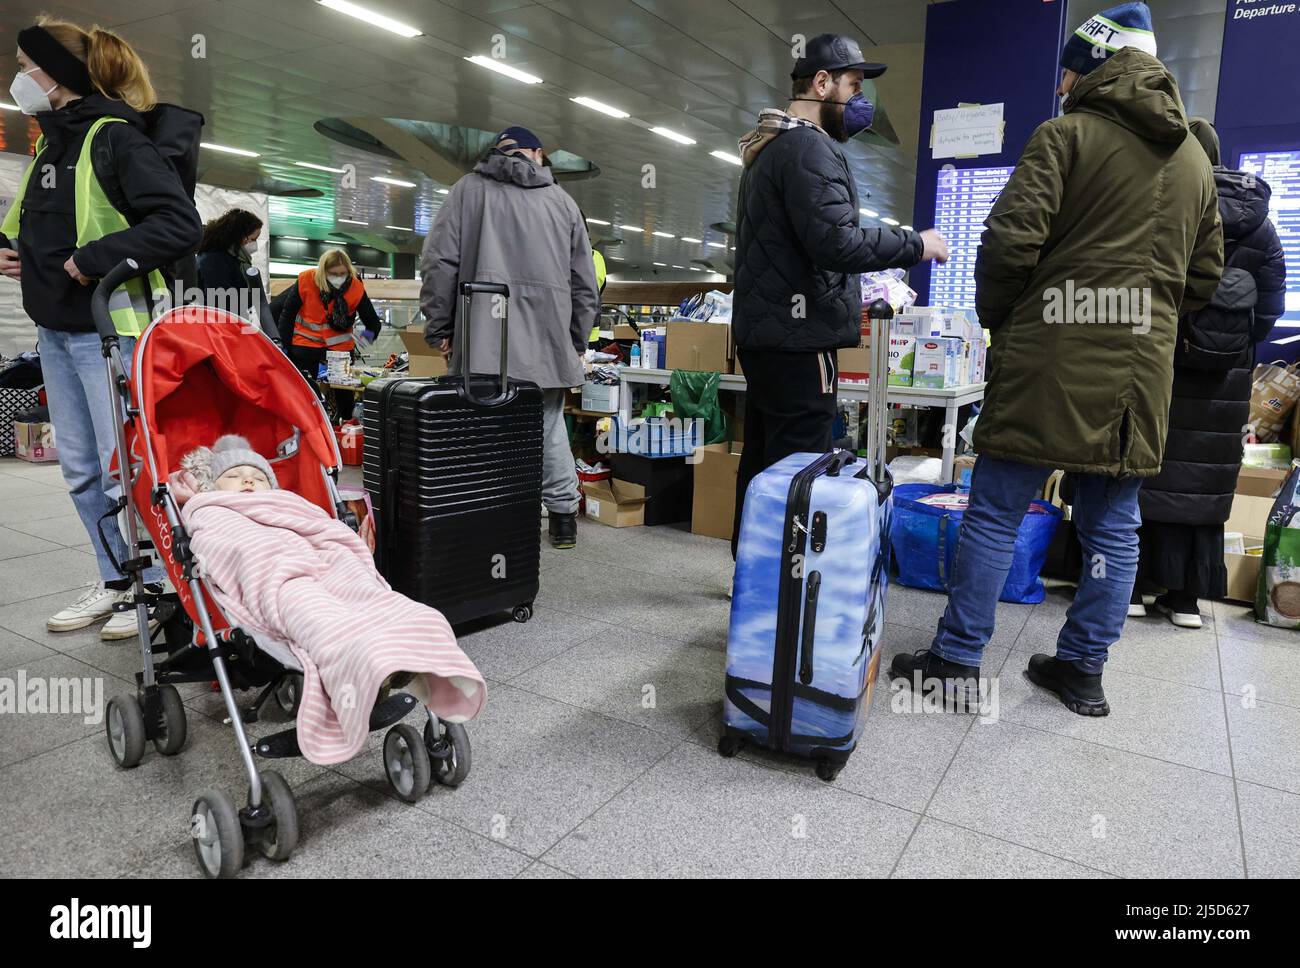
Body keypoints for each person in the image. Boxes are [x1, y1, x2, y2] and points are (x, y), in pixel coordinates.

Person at [889, 2, 1224, 716]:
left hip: (1048, 355)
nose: (1063, 83)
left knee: (995, 511)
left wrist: (1006, 322)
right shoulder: (1197, 157)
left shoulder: (1063, 137)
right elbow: (1204, 279)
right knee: (1113, 524)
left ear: (1096, 67)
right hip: (1139, 376)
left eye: (1069, 70)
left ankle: (954, 660)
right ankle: (1081, 670)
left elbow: (1009, 245)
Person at [0, 16, 202, 641]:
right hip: (56, 334)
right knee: (82, 470)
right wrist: (17, 255)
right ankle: (117, 582)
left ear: (55, 74)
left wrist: (94, 259)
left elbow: (179, 224)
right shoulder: (50, 143)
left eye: (26, 65)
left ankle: (160, 587)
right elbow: (34, 225)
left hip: (112, 333)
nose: (20, 77)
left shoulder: (115, 137)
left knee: (127, 467)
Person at [730, 32, 949, 559]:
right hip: (799, 338)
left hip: (769, 334)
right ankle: (789, 588)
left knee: (763, 457)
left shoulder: (769, 146)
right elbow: (835, 242)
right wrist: (914, 243)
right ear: (821, 83)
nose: (860, 101)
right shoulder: (809, 146)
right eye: (853, 85)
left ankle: (752, 575)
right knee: (799, 467)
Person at [1132, 118, 1287, 629]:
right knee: (1205, 480)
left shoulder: (1171, 204)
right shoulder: (1263, 228)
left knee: (1148, 471)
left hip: (1164, 362)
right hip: (1228, 373)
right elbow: (1268, 310)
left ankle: (1133, 586)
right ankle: (1184, 601)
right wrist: (1232, 347)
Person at [418, 126, 600, 551]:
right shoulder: (563, 203)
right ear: (537, 154)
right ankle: (561, 519)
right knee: (549, 427)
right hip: (547, 339)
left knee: (483, 430)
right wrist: (574, 339)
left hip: (484, 337)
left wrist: (441, 327)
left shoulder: (467, 191)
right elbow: (583, 282)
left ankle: (492, 519)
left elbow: (438, 262)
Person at [276, 248, 382, 422]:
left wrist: (361, 342)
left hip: (339, 351)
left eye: (343, 273)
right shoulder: (306, 280)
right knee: (304, 393)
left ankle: (346, 429)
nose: (339, 277)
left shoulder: (355, 286)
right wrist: (283, 348)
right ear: (323, 272)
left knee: (345, 399)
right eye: (334, 274)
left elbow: (373, 323)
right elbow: (287, 316)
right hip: (305, 347)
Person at [195, 207, 277, 339]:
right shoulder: (215, 260)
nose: (255, 244)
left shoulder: (230, 258)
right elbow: (221, 300)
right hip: (219, 331)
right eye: (253, 239)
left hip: (226, 327)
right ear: (241, 237)